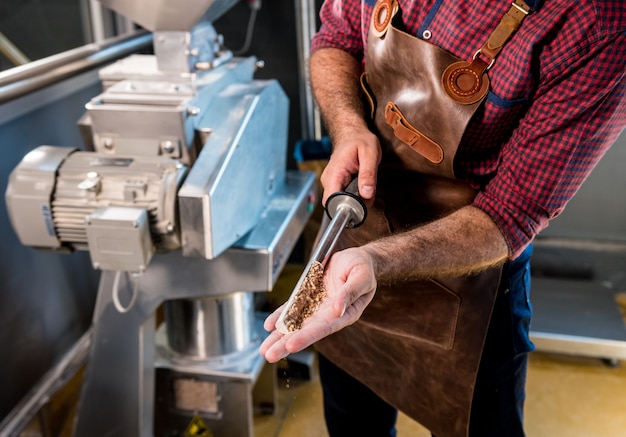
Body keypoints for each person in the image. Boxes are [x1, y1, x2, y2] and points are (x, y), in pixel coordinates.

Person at [261, 0, 626, 436]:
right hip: (355, 233)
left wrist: (378, 262)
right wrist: (349, 125)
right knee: (352, 422)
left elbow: (511, 212)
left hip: (472, 273)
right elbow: (336, 38)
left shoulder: (598, 22)